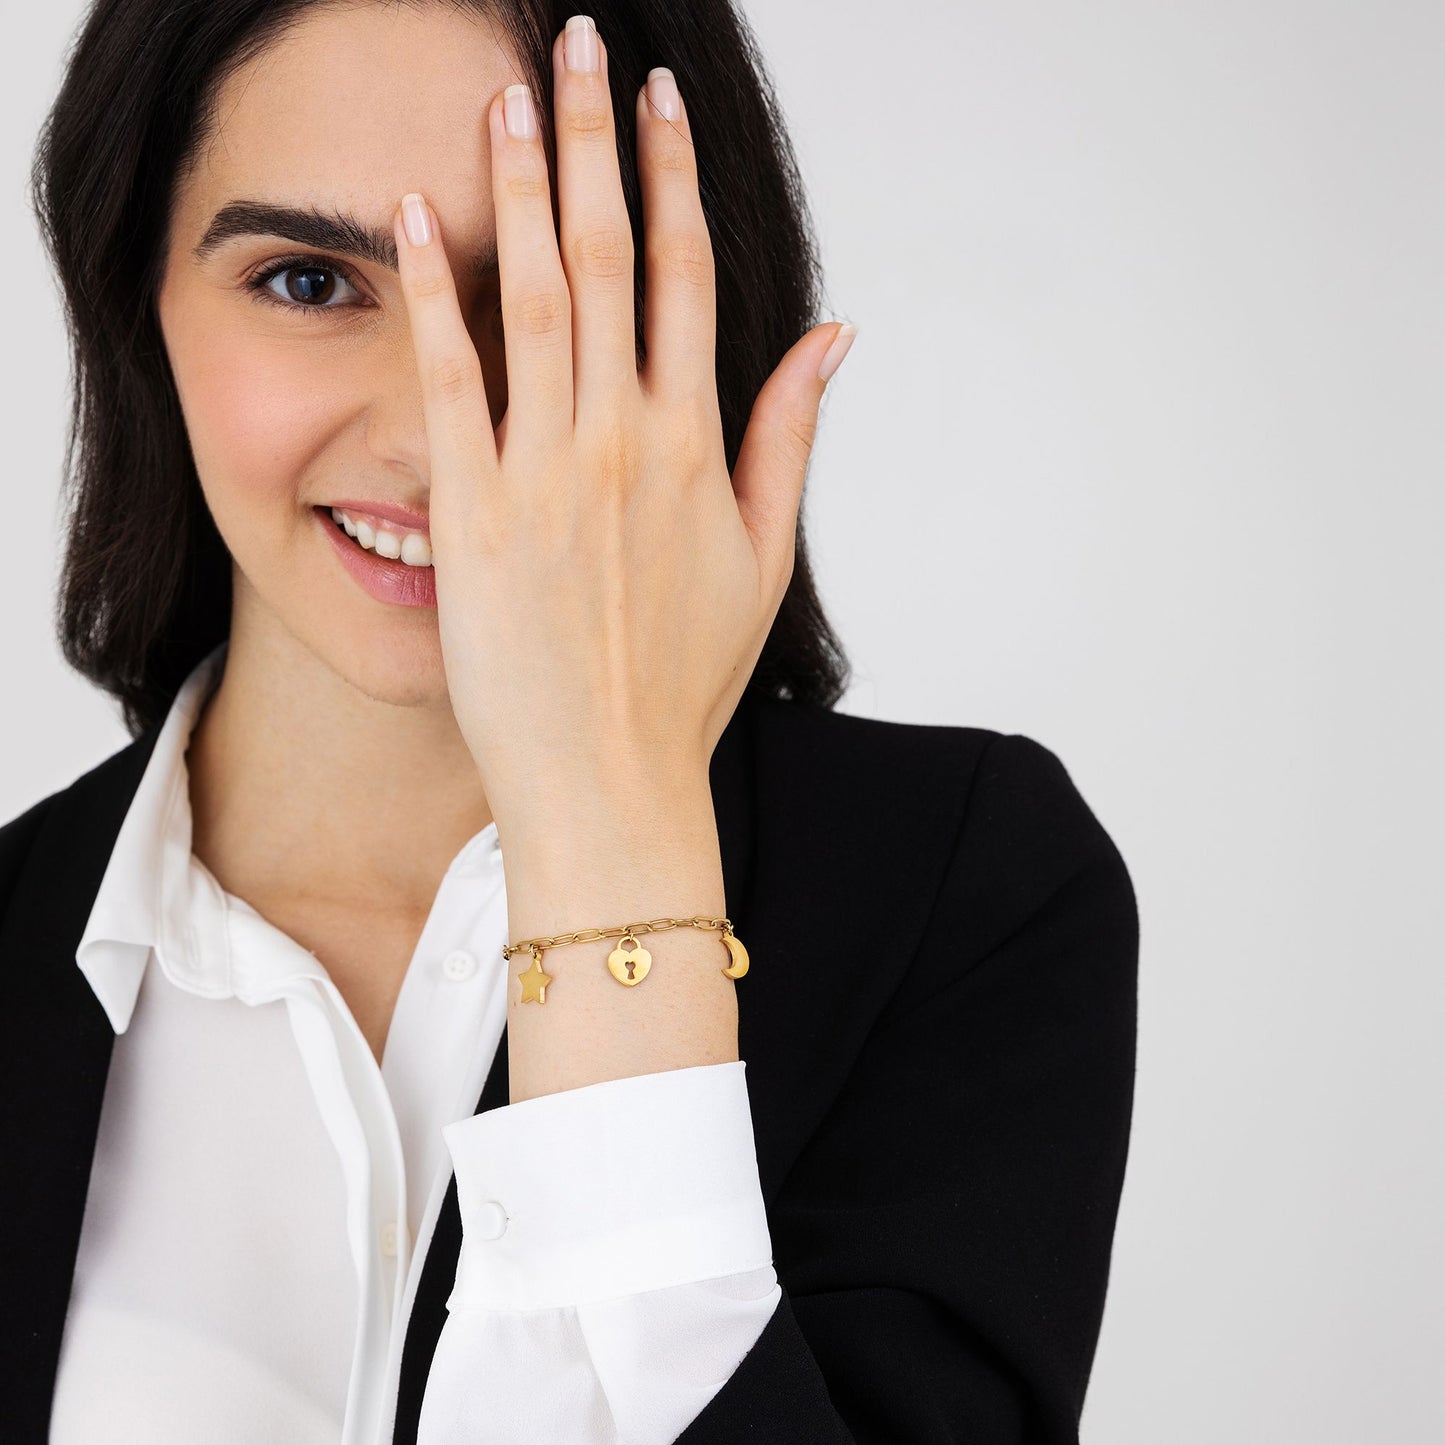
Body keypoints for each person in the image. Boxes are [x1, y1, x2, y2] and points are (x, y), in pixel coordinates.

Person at [0, 2, 1140, 1441]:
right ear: (136, 297)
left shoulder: (964, 898)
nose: (433, 435)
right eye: (306, 281)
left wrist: (605, 829)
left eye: (533, 293)